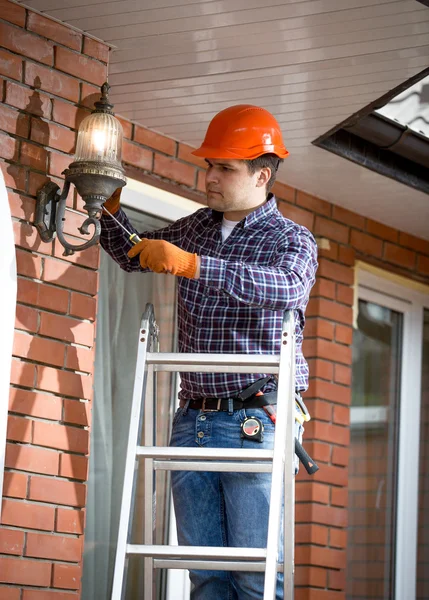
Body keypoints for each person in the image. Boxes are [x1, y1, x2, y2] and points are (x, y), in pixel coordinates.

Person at [99, 104, 318, 599]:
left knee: (254, 577)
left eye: (225, 168)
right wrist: (107, 209)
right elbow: (134, 253)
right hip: (192, 420)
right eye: (209, 165)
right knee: (205, 579)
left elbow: (283, 288)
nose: (211, 177)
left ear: (262, 175)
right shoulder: (197, 227)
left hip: (255, 419)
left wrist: (195, 266)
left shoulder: (293, 241)